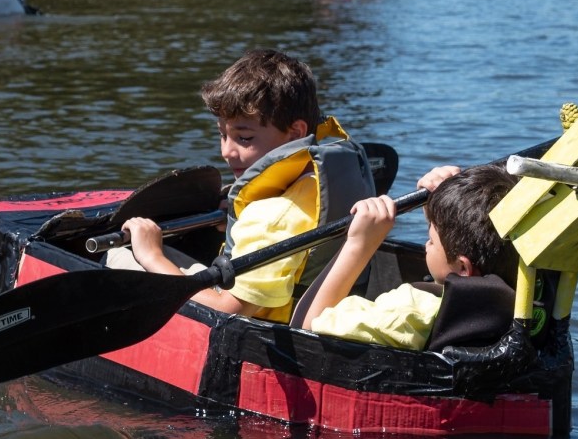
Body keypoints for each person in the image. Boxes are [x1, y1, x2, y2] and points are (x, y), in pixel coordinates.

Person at [108, 49, 375, 319]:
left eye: (244, 138)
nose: (227, 151)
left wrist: (152, 255)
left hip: (253, 326)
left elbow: (225, 311)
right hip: (296, 310)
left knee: (117, 256)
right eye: (222, 134)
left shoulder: (271, 219)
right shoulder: (316, 181)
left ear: (295, 133)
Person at [296, 163, 519, 350]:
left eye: (431, 239)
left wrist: (359, 246)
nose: (426, 244)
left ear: (463, 268)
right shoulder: (524, 295)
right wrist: (448, 204)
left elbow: (306, 334)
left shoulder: (408, 314)